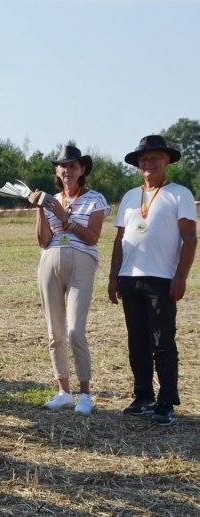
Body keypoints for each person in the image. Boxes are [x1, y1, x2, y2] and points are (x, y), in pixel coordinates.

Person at [108, 135, 197, 427]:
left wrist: (180, 276)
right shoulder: (130, 196)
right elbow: (120, 238)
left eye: (154, 158)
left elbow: (190, 238)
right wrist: (113, 276)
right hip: (130, 278)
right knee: (137, 342)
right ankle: (143, 396)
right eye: (143, 159)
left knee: (162, 342)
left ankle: (167, 402)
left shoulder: (179, 193)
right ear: (138, 165)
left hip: (162, 279)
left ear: (166, 160)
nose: (148, 163)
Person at [28, 145, 109, 416]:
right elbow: (43, 240)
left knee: (75, 330)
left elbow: (93, 237)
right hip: (50, 261)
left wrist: (67, 219)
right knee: (55, 332)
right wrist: (40, 209)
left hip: (82, 261)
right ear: (56, 171)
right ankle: (64, 392)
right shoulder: (51, 201)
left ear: (82, 169)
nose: (67, 170)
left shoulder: (94, 198)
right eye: (62, 166)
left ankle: (85, 394)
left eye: (73, 166)